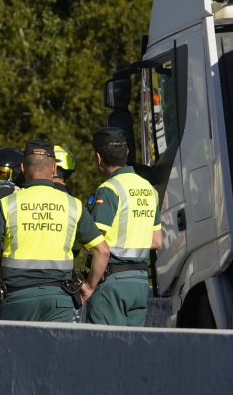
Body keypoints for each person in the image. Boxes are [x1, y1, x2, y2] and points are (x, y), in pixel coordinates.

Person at [0, 139, 110, 322]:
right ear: (54, 169)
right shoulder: (73, 205)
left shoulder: (8, 203)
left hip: (16, 299)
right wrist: (89, 287)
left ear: (22, 168)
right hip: (59, 300)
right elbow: (102, 250)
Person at [86, 127, 163, 326]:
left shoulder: (109, 189)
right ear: (127, 153)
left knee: (104, 348)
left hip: (112, 283)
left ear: (98, 157)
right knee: (132, 349)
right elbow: (156, 242)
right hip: (139, 283)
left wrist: (88, 284)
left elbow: (91, 244)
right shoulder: (149, 189)